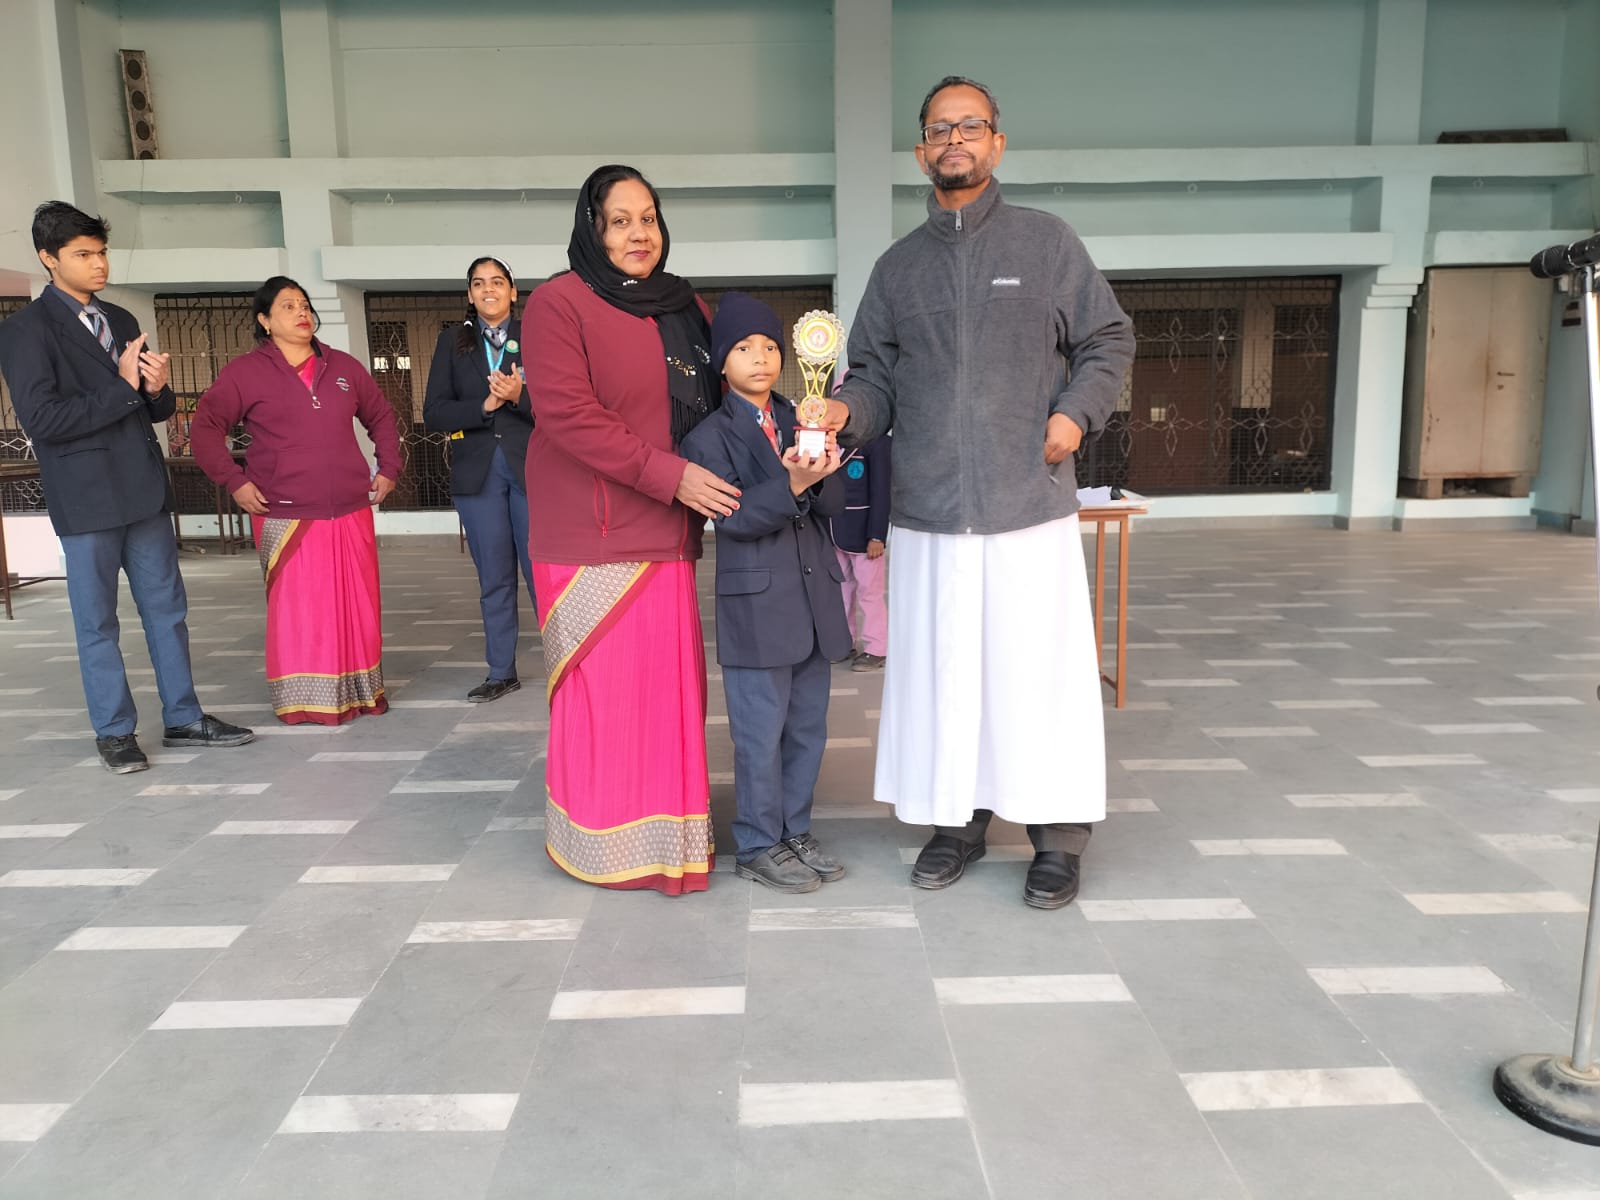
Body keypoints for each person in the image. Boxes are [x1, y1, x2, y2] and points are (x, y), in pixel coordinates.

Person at [826, 76, 1136, 910]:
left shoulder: (1045, 243)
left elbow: (1108, 338)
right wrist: (842, 414)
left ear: (997, 141)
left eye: (970, 126)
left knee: (1038, 677)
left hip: (1026, 505)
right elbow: (873, 380)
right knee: (949, 678)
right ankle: (957, 822)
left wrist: (1074, 414)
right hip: (930, 515)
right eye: (939, 129)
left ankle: (1058, 836)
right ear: (920, 150)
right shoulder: (898, 269)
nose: (954, 139)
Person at [522, 164, 739, 895]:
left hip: (669, 532)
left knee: (665, 701)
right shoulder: (558, 303)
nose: (639, 233)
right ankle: (601, 843)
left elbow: (722, 403)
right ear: (593, 229)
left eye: (648, 218)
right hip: (593, 536)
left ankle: (669, 839)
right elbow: (568, 415)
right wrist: (669, 476)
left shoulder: (684, 306)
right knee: (608, 702)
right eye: (620, 221)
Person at [0, 201, 252, 772]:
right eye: (83, 255)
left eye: (102, 252)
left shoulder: (120, 318)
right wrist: (122, 386)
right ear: (48, 258)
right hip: (86, 499)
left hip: (143, 491)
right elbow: (43, 421)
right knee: (98, 622)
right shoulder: (24, 331)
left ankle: (184, 717)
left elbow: (149, 407)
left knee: (168, 611)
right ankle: (114, 732)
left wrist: (157, 390)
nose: (99, 264)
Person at [681, 293, 851, 893]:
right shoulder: (708, 438)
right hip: (755, 607)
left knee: (806, 729)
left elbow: (833, 505)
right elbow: (734, 517)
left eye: (770, 347)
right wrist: (794, 482)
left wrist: (823, 471)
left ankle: (793, 830)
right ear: (721, 362)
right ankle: (756, 842)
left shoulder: (806, 417)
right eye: (744, 348)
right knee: (759, 734)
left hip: (813, 601)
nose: (760, 357)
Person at [189, 276, 401, 726]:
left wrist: (388, 468)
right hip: (285, 513)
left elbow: (381, 416)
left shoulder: (343, 367)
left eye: (304, 304)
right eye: (287, 306)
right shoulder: (245, 373)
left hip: (350, 509)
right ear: (264, 321)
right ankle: (305, 700)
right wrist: (234, 481)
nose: (301, 312)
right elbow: (205, 429)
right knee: (301, 613)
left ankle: (362, 694)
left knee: (357, 607)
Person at [423, 256, 536, 703]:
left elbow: (565, 405)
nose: (489, 289)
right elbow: (434, 412)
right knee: (495, 576)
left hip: (532, 471)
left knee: (543, 574)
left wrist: (520, 396)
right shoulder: (452, 342)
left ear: (513, 291)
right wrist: (484, 407)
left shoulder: (538, 336)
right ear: (469, 294)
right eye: (478, 283)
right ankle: (501, 671)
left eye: (497, 281)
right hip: (479, 474)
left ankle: (568, 664)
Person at [832, 432, 891, 672]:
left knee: (870, 594)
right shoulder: (828, 439)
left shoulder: (876, 443)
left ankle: (876, 648)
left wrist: (877, 535)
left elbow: (882, 492)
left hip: (865, 536)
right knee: (840, 592)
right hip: (834, 531)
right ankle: (843, 643)